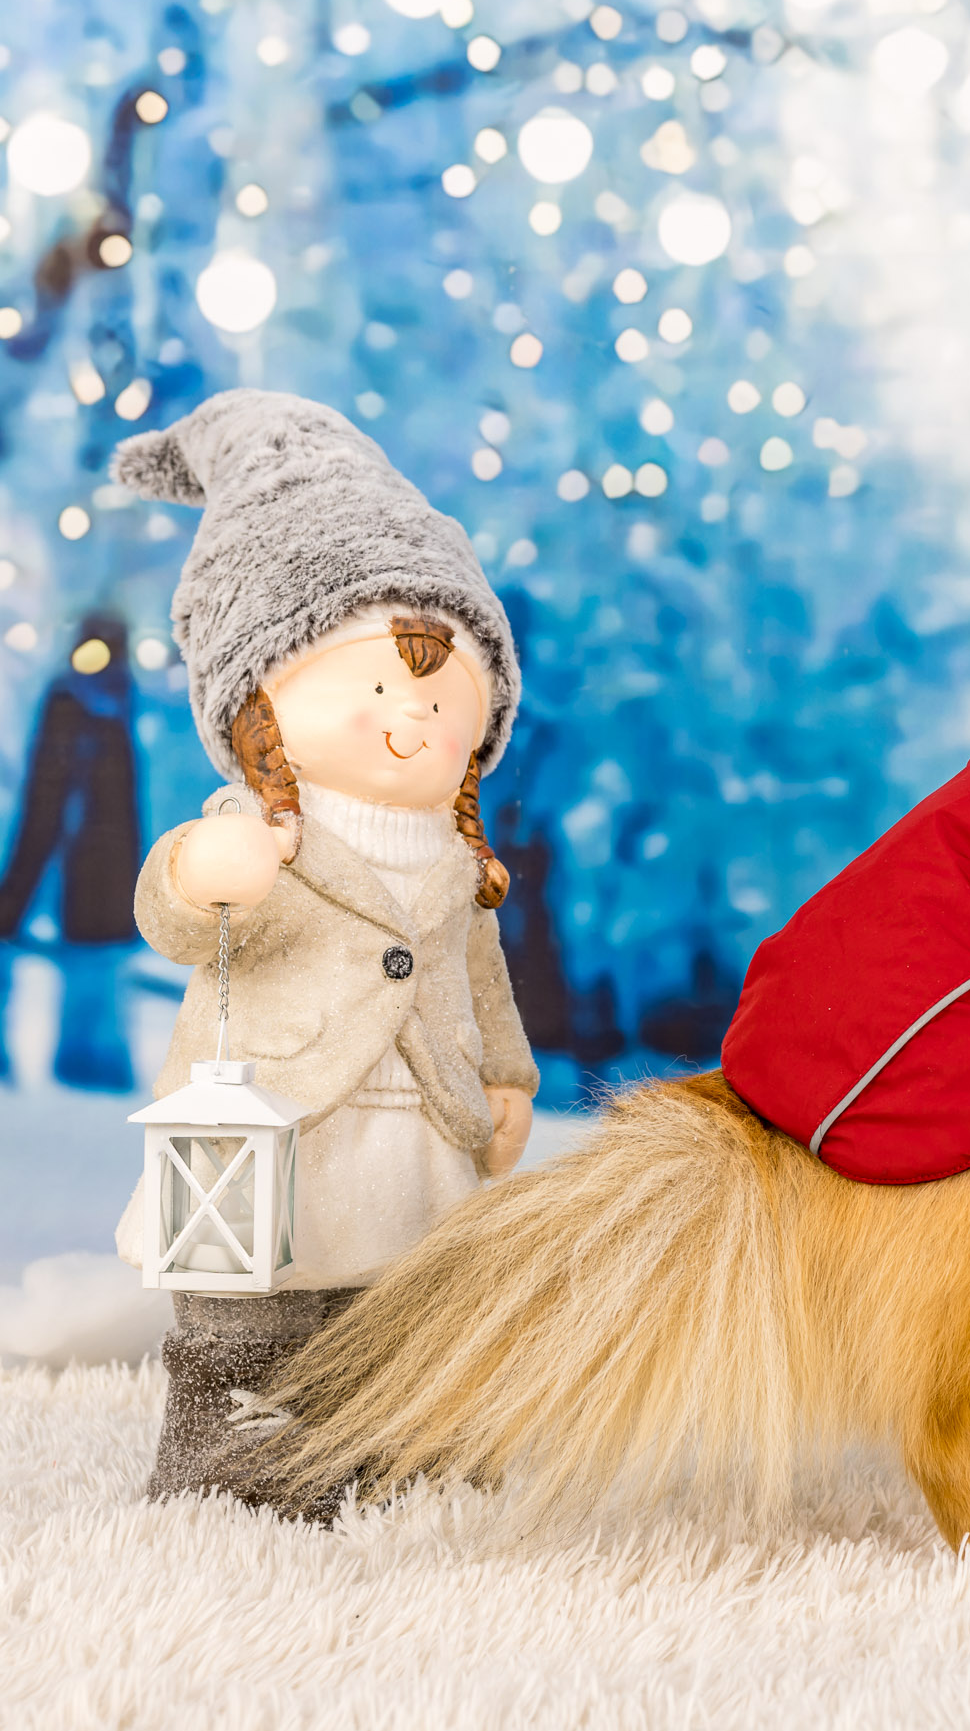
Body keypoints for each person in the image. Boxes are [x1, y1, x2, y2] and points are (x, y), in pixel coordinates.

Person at [107, 389, 539, 1506]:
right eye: (381, 684)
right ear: (258, 706)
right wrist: (208, 873)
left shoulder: (454, 857)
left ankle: (410, 1440)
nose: (414, 721)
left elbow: (476, 975)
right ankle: (236, 1440)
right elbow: (172, 912)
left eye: (446, 701)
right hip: (274, 1130)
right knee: (264, 1293)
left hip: (425, 1129)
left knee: (416, 1287)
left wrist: (505, 1074)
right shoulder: (256, 832)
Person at [0, 613, 142, 1091]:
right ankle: (88, 1059)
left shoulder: (124, 702)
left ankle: (92, 1059)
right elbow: (47, 800)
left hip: (109, 873)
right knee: (90, 957)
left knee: (97, 963)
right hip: (89, 868)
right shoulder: (77, 702)